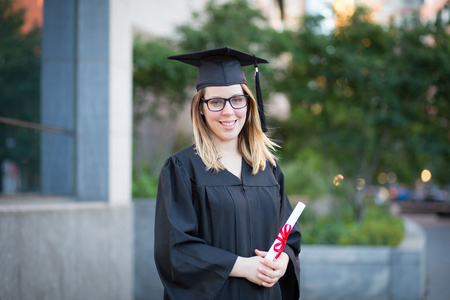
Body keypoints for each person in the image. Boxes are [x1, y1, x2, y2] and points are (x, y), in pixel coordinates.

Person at [154, 47, 301, 300]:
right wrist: (244, 267)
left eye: (237, 99)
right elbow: (175, 250)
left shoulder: (268, 167)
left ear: (248, 103)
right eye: (216, 102)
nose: (228, 111)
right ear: (200, 107)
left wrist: (284, 260)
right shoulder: (182, 168)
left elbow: (289, 235)